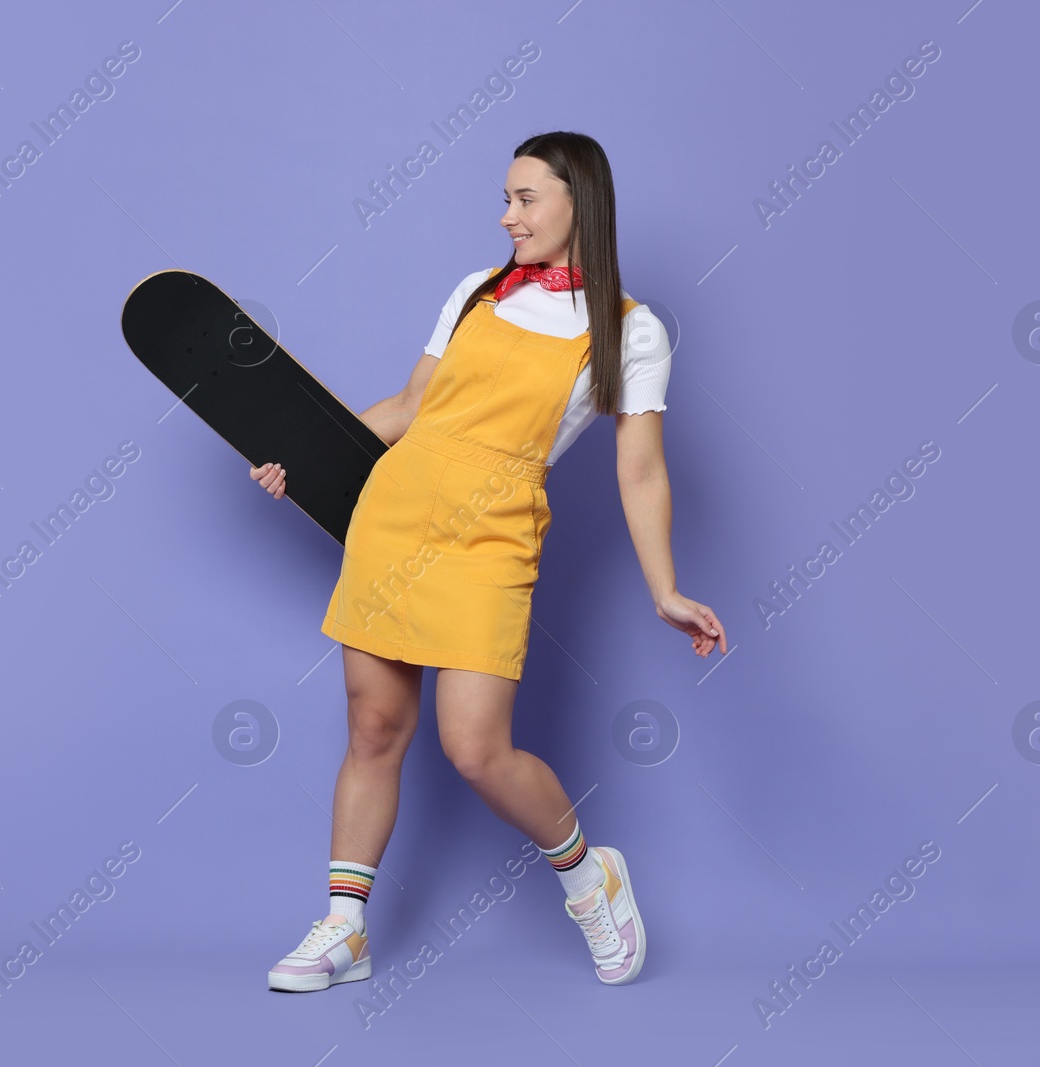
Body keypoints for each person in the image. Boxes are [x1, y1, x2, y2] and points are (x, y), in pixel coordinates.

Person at [253, 131, 727, 993]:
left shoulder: (631, 329)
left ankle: (590, 876)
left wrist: (665, 587)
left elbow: (642, 468)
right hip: (394, 519)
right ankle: (343, 930)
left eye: (524, 199)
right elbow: (406, 407)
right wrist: (304, 461)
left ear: (578, 199)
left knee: (475, 748)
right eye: (505, 199)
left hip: (493, 534)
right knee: (373, 728)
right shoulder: (476, 292)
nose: (506, 216)